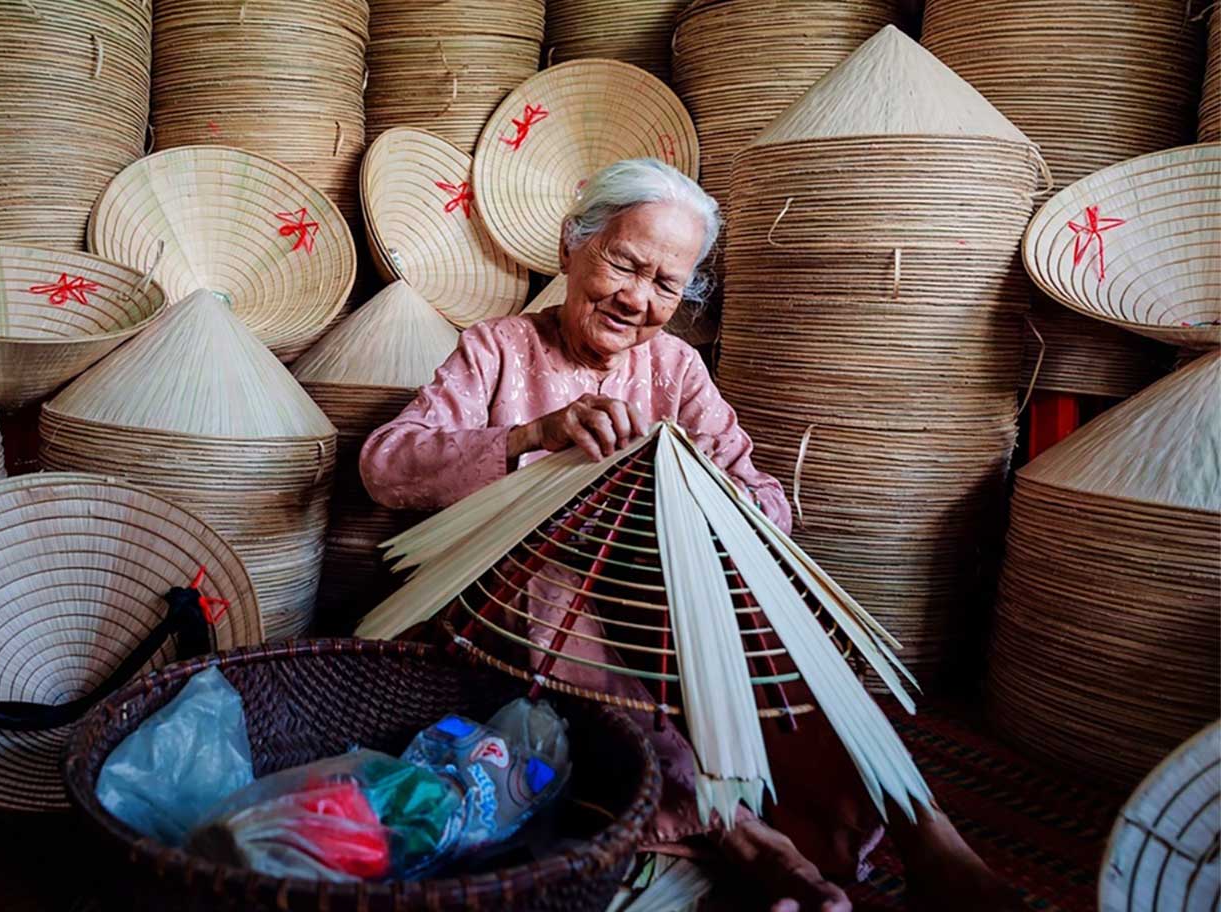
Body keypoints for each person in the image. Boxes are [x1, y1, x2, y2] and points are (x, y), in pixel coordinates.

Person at [359, 158, 1021, 912]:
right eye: (623, 263)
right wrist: (527, 436)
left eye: (666, 284)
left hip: (661, 593)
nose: (637, 298)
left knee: (778, 616)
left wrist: (705, 491)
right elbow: (386, 464)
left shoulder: (676, 370)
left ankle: (918, 824)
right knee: (556, 597)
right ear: (573, 245)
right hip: (520, 595)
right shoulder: (497, 349)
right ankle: (735, 833)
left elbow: (768, 500)